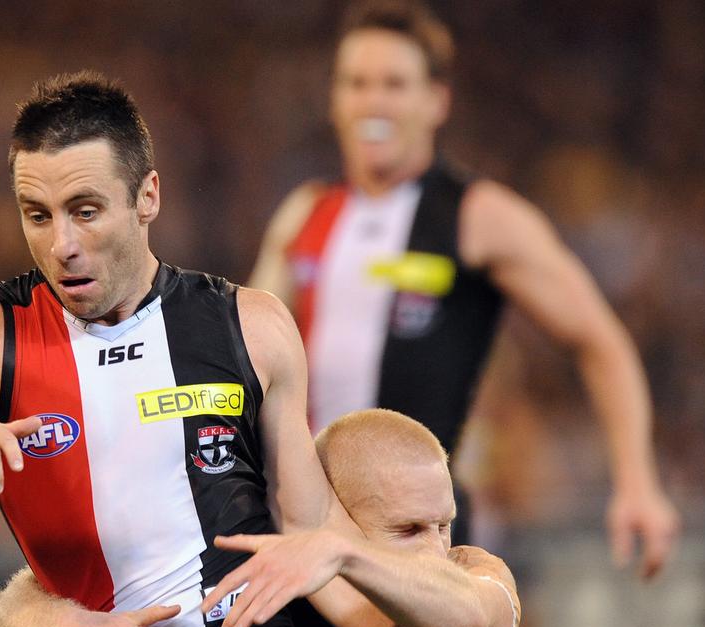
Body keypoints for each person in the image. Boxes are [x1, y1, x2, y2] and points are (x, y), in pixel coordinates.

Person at [0, 72, 518, 627]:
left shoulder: (248, 327)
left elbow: (307, 533)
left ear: (147, 197)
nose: (63, 245)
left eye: (86, 211)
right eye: (37, 216)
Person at [247, 0, 679, 577]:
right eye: (357, 83)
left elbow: (601, 341)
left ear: (436, 101)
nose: (373, 100)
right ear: (335, 99)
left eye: (394, 84)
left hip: (420, 539)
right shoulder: (304, 215)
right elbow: (244, 364)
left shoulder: (481, 217)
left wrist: (636, 483)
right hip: (303, 525)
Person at [0, 408, 523, 627]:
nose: (435, 552)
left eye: (442, 524)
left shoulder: (464, 569)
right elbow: (3, 610)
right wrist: (68, 626)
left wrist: (348, 556)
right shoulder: (241, 570)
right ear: (333, 517)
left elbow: (485, 621)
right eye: (406, 531)